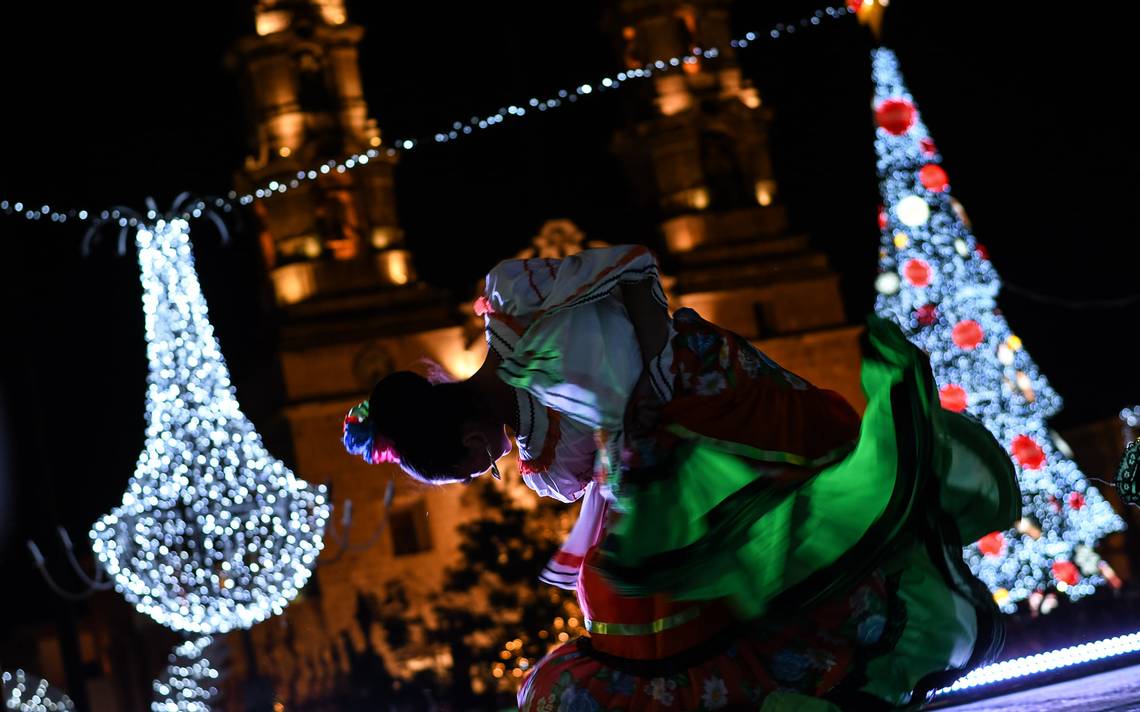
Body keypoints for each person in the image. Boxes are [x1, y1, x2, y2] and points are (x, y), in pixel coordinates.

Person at [342, 245, 1020, 711]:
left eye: (469, 467)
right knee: (653, 578)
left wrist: (659, 372)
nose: (484, 472)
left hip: (716, 392)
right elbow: (609, 471)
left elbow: (633, 269)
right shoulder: (548, 459)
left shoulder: (517, 307)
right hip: (674, 463)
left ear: (466, 437)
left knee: (793, 526)